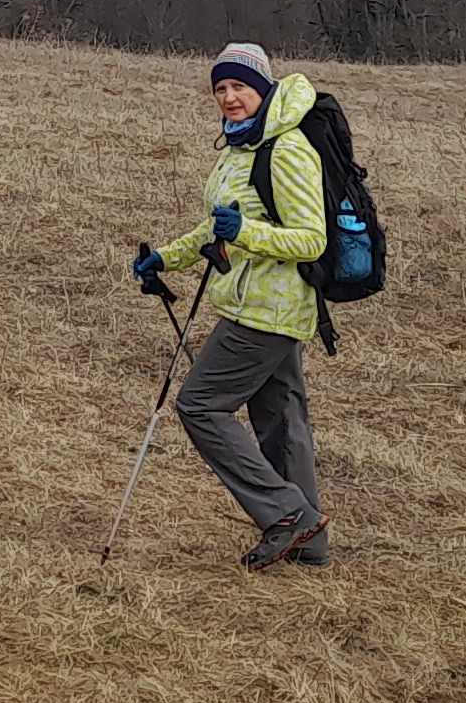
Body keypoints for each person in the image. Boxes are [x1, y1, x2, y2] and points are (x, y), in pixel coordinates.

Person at [129, 40, 331, 570]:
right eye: (220, 88)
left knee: (199, 405)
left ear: (263, 89)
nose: (229, 97)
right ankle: (307, 544)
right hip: (254, 304)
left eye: (240, 86)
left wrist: (245, 232)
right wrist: (166, 259)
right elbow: (216, 226)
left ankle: (288, 515)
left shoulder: (285, 150)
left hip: (268, 310)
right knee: (280, 423)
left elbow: (312, 240)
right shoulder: (240, 147)